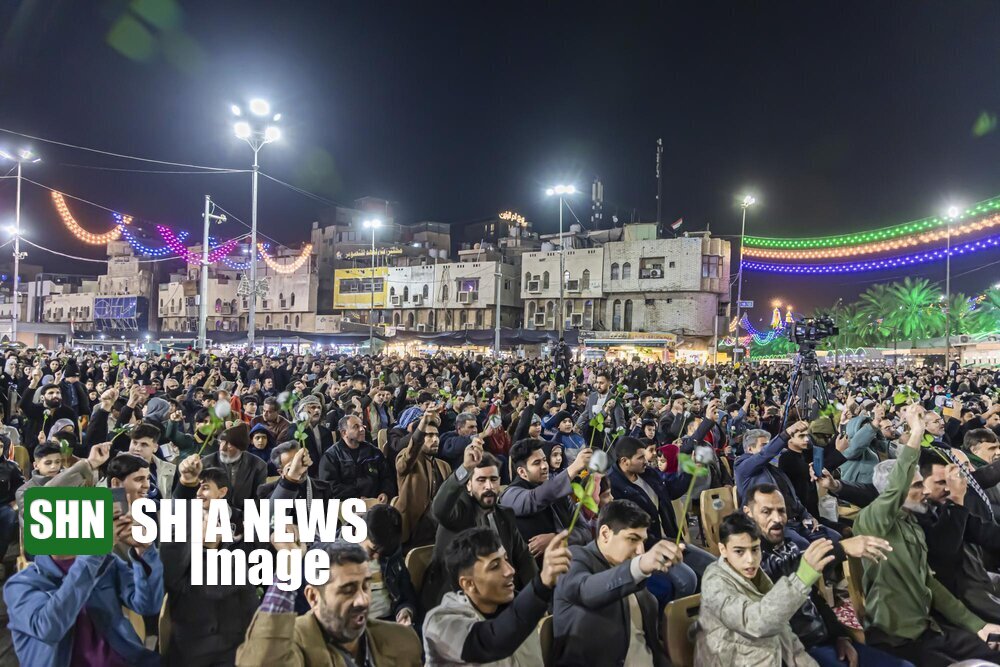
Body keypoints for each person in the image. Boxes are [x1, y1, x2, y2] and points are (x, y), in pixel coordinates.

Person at [855, 404, 1000, 666]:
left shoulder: (910, 524)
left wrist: (978, 626)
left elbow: (929, 584)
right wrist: (916, 432)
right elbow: (896, 486)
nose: (924, 491)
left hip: (928, 629)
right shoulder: (872, 522)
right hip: (896, 638)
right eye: (917, 485)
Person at [742, 483, 912, 666]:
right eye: (766, 512)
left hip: (826, 642)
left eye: (781, 511)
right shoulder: (747, 558)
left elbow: (812, 596)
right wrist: (842, 548)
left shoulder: (788, 545)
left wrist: (840, 636)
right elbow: (788, 584)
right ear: (748, 512)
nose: (777, 519)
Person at [4, 510, 164, 666]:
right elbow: (49, 628)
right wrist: (95, 553)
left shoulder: (105, 562)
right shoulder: (22, 584)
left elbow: (148, 606)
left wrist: (144, 550)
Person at [235, 541, 422, 666]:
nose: (362, 600)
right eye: (347, 590)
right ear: (313, 597)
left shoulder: (402, 641)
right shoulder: (292, 643)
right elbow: (263, 661)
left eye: (365, 586)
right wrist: (288, 568)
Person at [553, 499, 682, 666]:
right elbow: (586, 590)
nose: (639, 550)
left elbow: (652, 645)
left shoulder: (633, 577)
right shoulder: (575, 558)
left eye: (642, 541)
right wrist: (639, 566)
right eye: (632, 539)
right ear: (605, 534)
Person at [695, 512, 833, 666]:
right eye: (739, 551)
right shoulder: (715, 583)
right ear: (723, 550)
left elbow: (781, 628)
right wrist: (801, 579)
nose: (750, 560)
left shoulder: (756, 576)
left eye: (755, 549)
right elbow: (756, 622)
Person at [423, 526, 572, 666]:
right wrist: (541, 584)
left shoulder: (520, 606)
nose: (510, 570)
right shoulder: (440, 624)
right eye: (495, 566)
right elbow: (493, 642)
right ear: (468, 584)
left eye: (505, 559)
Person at [162, 456, 259, 667]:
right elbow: (176, 539)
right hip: (194, 656)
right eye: (201, 518)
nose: (208, 521)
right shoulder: (182, 566)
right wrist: (186, 485)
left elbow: (250, 606)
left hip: (237, 652)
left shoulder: (235, 561)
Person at [421, 443, 537, 611]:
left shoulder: (505, 515)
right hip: (458, 601)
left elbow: (524, 558)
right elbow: (439, 508)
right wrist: (465, 468)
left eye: (494, 480)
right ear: (468, 485)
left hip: (499, 594)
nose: (489, 487)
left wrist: (536, 596)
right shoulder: (458, 513)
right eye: (481, 480)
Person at [607, 436, 715, 596]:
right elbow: (630, 531)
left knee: (712, 565)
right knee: (687, 580)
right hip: (649, 547)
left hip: (670, 539)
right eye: (640, 457)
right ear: (625, 461)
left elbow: (672, 491)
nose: (646, 460)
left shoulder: (648, 474)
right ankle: (673, 618)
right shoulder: (613, 487)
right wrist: (664, 545)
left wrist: (690, 468)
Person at [500, 439, 594, 551]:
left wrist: (557, 538)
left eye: (544, 460)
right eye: (536, 463)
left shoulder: (560, 492)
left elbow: (585, 532)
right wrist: (573, 469)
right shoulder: (510, 495)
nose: (544, 466)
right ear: (522, 472)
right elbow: (534, 499)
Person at [395, 407, 451, 549]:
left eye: (437, 436)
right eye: (429, 436)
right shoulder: (406, 459)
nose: (435, 440)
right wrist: (423, 422)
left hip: (439, 529)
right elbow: (412, 452)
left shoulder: (444, 466)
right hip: (412, 529)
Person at [361, 504, 419, 627]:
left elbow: (406, 595)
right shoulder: (335, 558)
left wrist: (405, 611)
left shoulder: (390, 554)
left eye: (383, 553)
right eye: (373, 549)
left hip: (389, 622)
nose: (376, 557)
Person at [319, 415, 393, 502]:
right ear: (344, 433)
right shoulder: (331, 457)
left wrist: (385, 492)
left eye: (362, 426)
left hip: (375, 503)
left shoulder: (374, 453)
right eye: (356, 427)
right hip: (346, 506)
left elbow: (387, 476)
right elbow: (330, 487)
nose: (362, 429)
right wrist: (356, 497)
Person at [201, 423, 267, 506]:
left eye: (229, 444)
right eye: (221, 442)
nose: (222, 448)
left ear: (241, 448)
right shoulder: (206, 463)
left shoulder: (258, 466)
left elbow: (258, 499)